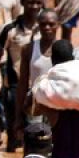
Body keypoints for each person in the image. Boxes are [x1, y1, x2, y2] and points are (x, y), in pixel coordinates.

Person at [0, 0, 44, 151]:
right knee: (13, 129)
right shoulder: (10, 29)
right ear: (23, 3)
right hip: (15, 86)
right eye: (31, 2)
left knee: (35, 130)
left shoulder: (45, 29)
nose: (34, 6)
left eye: (38, 2)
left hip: (39, 85)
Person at [15, 9, 59, 141]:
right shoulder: (29, 49)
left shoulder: (64, 48)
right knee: (34, 143)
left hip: (56, 106)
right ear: (38, 25)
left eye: (51, 24)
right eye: (43, 24)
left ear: (58, 25)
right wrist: (18, 116)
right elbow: (22, 83)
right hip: (35, 106)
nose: (47, 28)